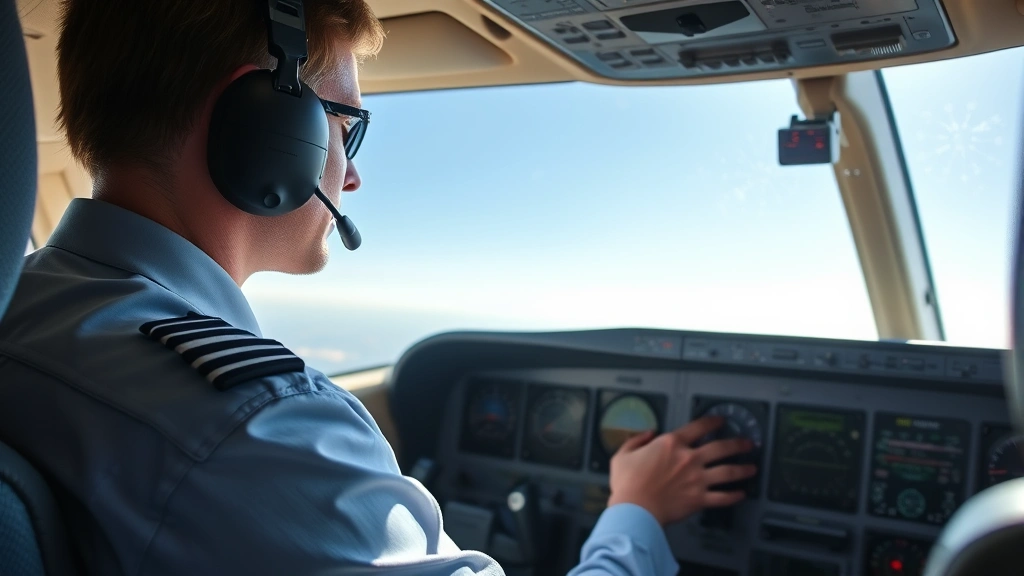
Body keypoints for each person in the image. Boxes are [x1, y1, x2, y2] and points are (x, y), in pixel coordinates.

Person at [0, 1, 757, 574]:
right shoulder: (254, 432)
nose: (353, 174)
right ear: (266, 125)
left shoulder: (27, 312)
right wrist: (636, 515)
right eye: (347, 129)